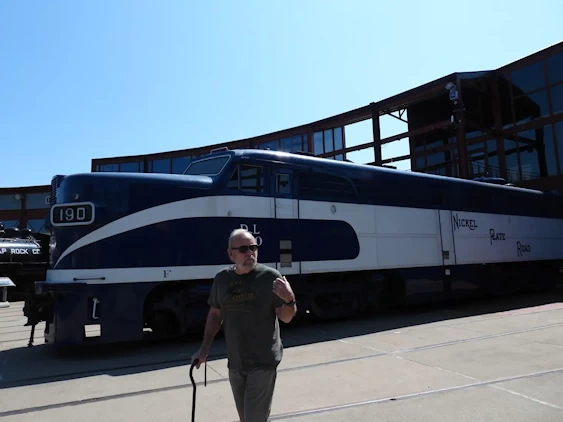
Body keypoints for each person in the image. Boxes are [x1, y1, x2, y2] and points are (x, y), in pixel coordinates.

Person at [191, 228, 297, 422]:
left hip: (263, 362)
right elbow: (215, 313)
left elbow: (286, 317)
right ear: (231, 254)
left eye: (253, 247)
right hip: (236, 363)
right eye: (243, 249)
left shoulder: (270, 277)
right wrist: (204, 349)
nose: (250, 253)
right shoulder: (222, 279)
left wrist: (289, 299)